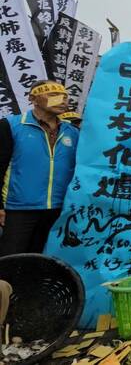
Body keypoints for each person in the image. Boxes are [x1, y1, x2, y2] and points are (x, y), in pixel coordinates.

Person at [0, 81, 80, 256]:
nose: (62, 100)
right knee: (11, 259)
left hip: (59, 210)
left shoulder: (73, 132)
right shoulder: (11, 126)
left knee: (45, 260)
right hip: (19, 209)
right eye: (53, 95)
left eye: (65, 97)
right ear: (33, 99)